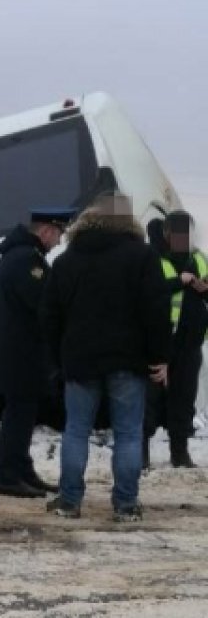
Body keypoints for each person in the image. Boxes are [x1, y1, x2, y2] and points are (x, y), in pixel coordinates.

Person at [40, 193, 170, 522]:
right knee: (127, 432)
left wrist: (60, 357)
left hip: (79, 361)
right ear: (128, 222)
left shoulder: (65, 261)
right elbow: (156, 310)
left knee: (76, 430)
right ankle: (126, 505)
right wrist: (160, 356)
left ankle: (69, 502)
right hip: (128, 360)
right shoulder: (142, 257)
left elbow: (49, 316)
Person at [0, 207, 75, 498]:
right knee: (18, 415)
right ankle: (9, 476)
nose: (59, 241)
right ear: (47, 230)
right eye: (59, 234)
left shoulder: (22, 256)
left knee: (23, 414)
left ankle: (21, 469)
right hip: (21, 354)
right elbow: (43, 304)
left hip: (19, 353)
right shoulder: (27, 260)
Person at [144, 210, 208, 468]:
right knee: (151, 399)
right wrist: (178, 283)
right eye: (178, 233)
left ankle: (179, 450)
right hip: (159, 343)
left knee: (184, 398)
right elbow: (149, 293)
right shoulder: (153, 258)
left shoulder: (199, 258)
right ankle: (140, 452)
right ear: (167, 233)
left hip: (190, 343)